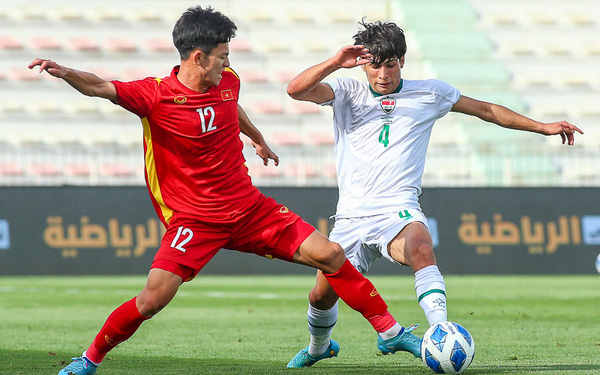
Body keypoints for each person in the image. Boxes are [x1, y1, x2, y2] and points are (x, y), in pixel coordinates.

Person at [29, 8, 424, 375]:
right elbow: (100, 86)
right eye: (222, 55)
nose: (228, 63)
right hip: (194, 221)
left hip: (250, 209)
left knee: (331, 254)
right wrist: (66, 72)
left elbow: (230, 107)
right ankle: (89, 359)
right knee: (151, 300)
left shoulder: (228, 82)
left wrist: (257, 138)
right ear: (197, 57)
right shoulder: (155, 95)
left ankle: (390, 332)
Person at [285, 19, 583, 368]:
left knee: (421, 248)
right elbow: (295, 90)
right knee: (320, 296)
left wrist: (542, 127)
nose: (383, 74)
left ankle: (441, 331)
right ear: (364, 63)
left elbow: (487, 110)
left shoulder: (430, 92)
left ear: (403, 61)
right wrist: (336, 62)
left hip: (397, 209)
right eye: (375, 64)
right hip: (351, 215)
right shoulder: (347, 91)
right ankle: (319, 347)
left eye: (391, 64)